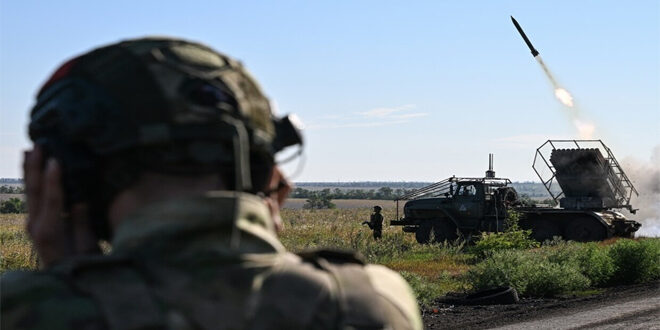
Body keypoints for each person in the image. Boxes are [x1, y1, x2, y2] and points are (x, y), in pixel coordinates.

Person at [1, 38, 422, 330]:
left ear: (71, 178)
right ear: (264, 173)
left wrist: (66, 284)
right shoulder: (369, 300)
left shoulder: (23, 311)